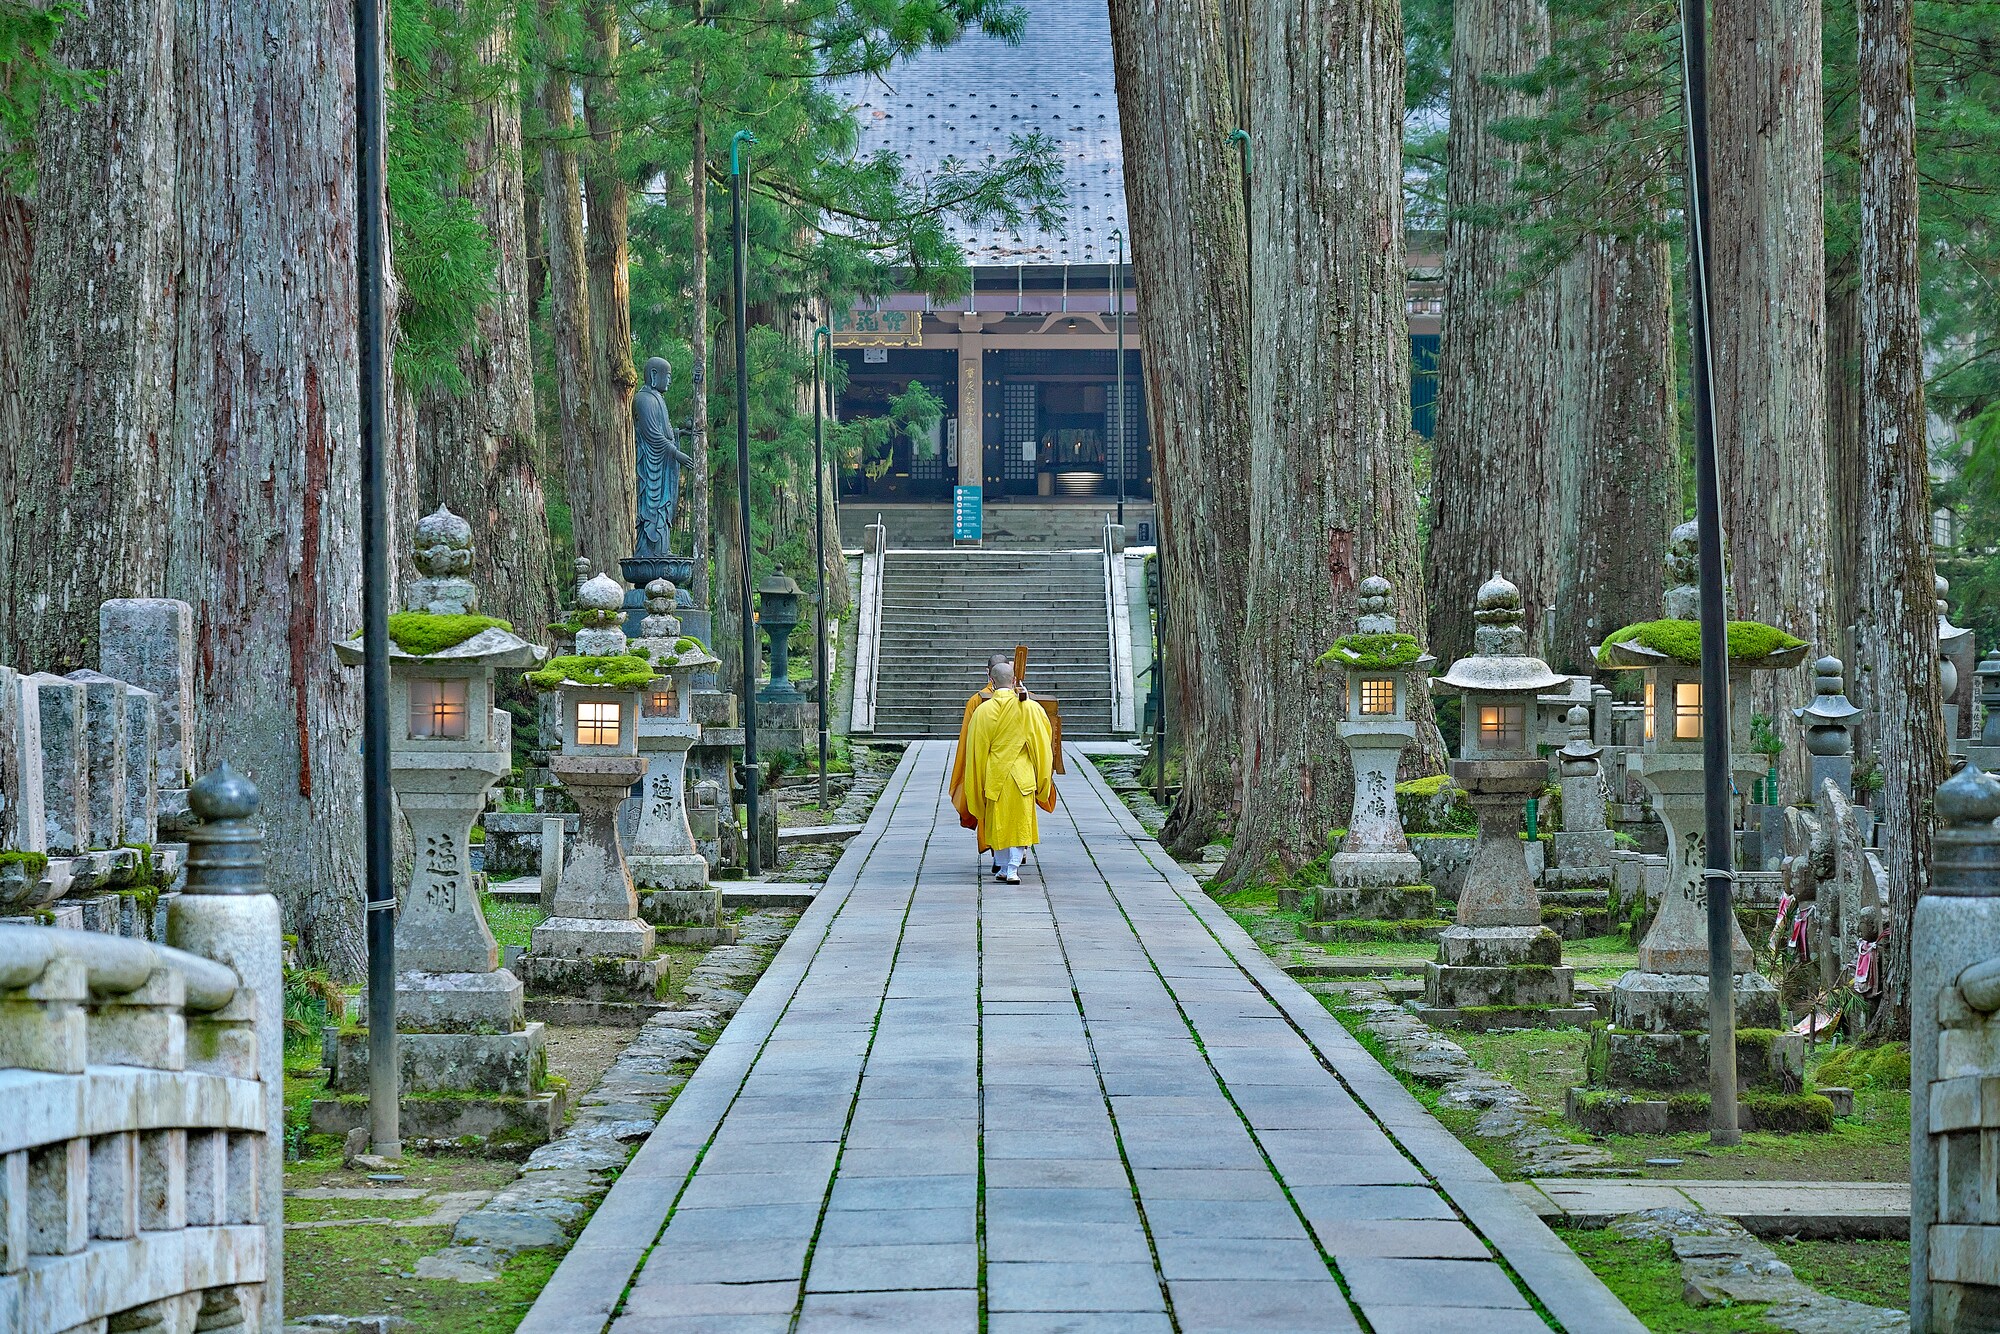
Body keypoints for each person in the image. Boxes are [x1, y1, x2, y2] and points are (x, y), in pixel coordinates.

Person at [958, 659, 1055, 884]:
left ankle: (1002, 866)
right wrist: (1044, 779)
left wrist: (977, 781)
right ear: (1014, 681)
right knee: (1020, 821)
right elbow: (1042, 746)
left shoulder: (983, 711)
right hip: (1022, 775)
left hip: (995, 775)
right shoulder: (1029, 708)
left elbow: (976, 752)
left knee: (997, 821)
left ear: (991, 681)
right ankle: (1012, 869)